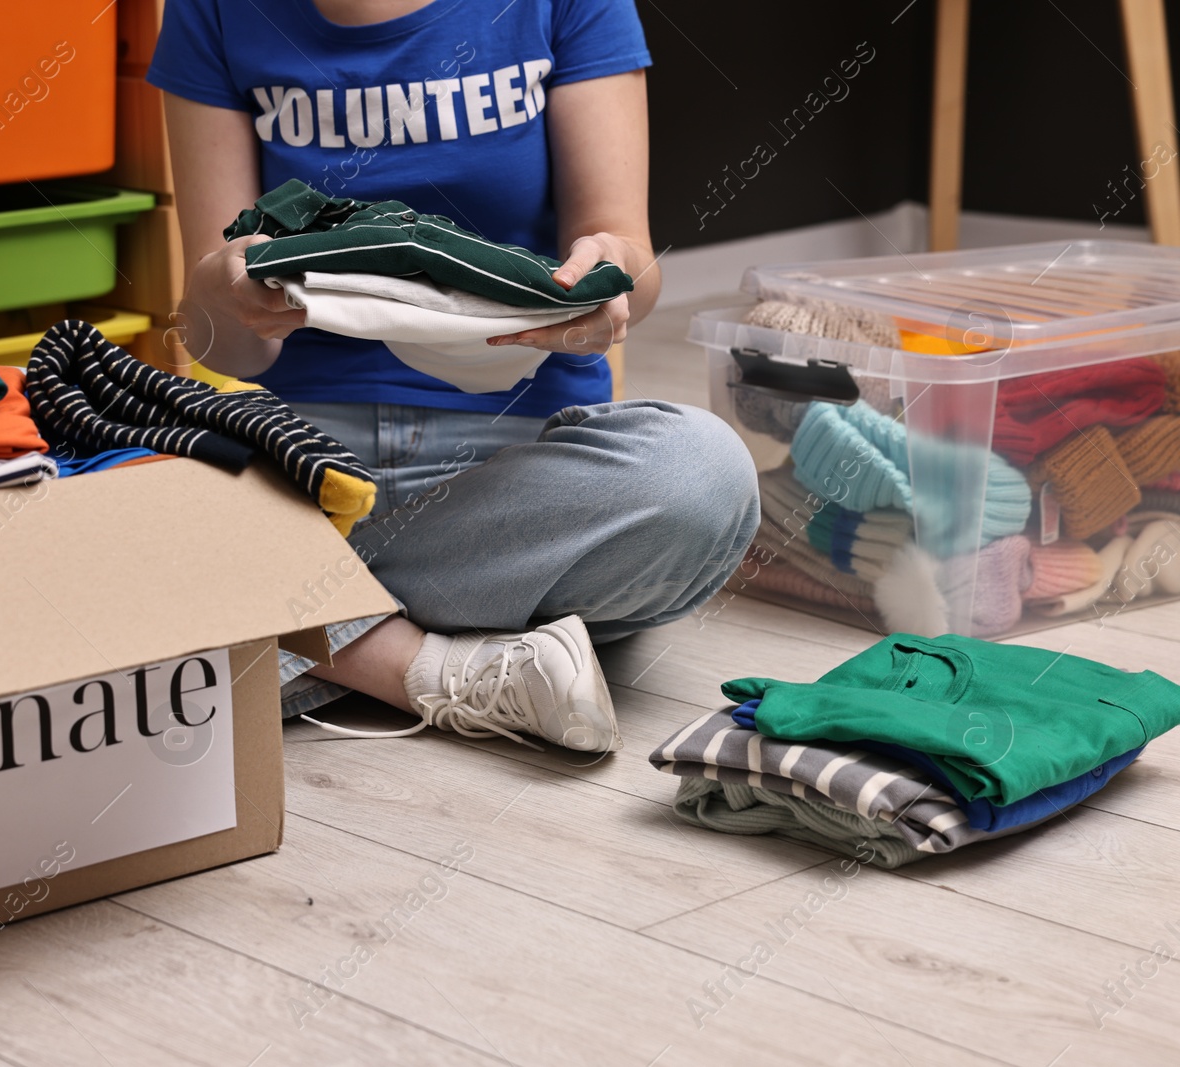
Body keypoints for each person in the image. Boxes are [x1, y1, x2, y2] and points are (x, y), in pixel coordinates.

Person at [148, 0, 759, 753]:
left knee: (703, 474)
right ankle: (432, 665)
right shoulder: (212, 9)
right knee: (84, 483)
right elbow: (229, 351)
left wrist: (614, 281)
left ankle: (322, 631)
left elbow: (629, 256)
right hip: (307, 470)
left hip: (517, 472)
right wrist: (222, 297)